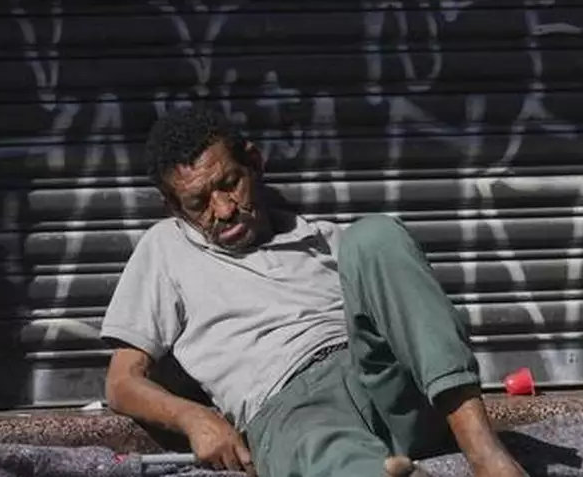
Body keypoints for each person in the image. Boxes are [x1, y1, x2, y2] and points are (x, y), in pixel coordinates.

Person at [101, 105, 527, 477]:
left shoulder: (323, 236)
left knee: (376, 235)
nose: (224, 209)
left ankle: (486, 454)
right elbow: (122, 382)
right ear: (174, 208)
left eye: (230, 182)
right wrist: (193, 417)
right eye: (198, 203)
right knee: (324, 453)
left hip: (381, 381)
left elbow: (410, 321)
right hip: (289, 406)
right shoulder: (166, 248)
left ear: (254, 162)